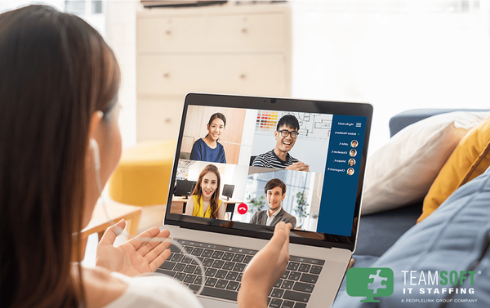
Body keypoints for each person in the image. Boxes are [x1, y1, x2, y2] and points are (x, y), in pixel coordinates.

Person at [0, 5, 291, 308]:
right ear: (92, 143)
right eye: (117, 114)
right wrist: (254, 290)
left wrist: (104, 275)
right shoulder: (162, 301)